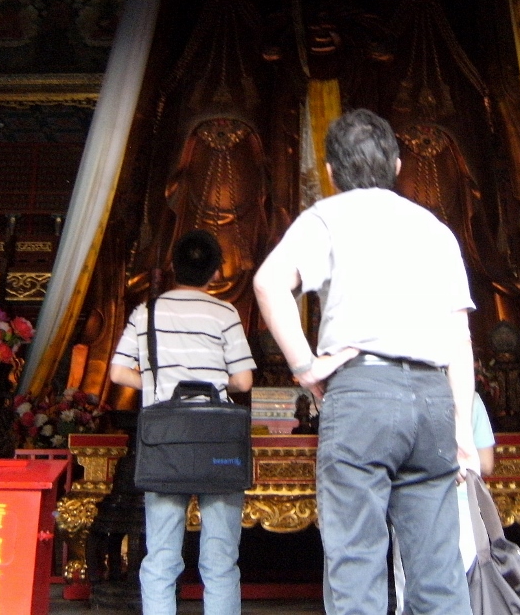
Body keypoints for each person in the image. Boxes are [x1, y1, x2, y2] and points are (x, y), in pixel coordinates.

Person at [253, 108, 479, 615]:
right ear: (398, 166)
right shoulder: (434, 229)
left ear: (331, 172)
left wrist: (306, 367)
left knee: (357, 563)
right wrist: (463, 430)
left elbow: (268, 283)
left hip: (362, 393)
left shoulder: (327, 216)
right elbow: (459, 339)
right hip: (432, 397)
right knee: (439, 570)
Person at [110, 229, 256, 615]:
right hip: (218, 441)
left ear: (174, 268)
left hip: (165, 439)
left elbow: (117, 372)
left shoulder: (147, 312)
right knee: (221, 557)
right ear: (214, 272)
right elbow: (243, 381)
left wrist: (158, 383)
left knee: (160, 555)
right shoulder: (225, 312)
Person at [392, 390, 496, 614]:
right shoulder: (470, 398)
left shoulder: (401, 394)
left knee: (412, 590)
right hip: (462, 507)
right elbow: (486, 463)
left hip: (412, 506)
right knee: (467, 584)